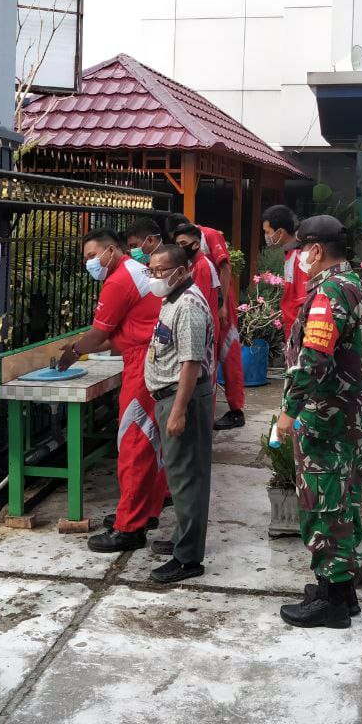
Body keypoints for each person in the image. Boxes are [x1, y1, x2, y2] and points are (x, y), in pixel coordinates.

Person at [275, 215, 362, 629]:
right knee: (343, 500)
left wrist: (289, 410)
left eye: (301, 249)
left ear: (315, 250)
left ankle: (331, 602)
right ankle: (341, 592)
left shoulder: (329, 292)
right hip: (349, 414)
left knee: (323, 504)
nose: (298, 257)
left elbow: (315, 357)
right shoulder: (356, 285)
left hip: (325, 418)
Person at [57, 230, 166, 552]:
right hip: (151, 356)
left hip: (144, 363)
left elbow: (99, 333)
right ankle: (145, 512)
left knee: (133, 441)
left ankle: (129, 527)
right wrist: (83, 346)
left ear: (111, 251)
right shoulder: (135, 270)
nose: (89, 263)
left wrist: (73, 352)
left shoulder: (119, 280)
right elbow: (120, 331)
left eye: (92, 256)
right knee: (150, 441)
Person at [143, 244, 215, 584]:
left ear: (182, 271)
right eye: (151, 270)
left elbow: (191, 362)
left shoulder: (188, 305)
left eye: (161, 271)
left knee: (188, 478)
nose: (154, 277)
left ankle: (188, 559)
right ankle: (181, 539)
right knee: (179, 474)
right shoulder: (172, 299)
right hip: (169, 395)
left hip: (182, 396)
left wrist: (178, 410)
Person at [168, 213, 245, 430]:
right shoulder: (194, 258)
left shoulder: (208, 237)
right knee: (210, 359)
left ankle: (236, 410)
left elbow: (225, 268)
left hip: (220, 304)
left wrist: (222, 304)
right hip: (209, 305)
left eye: (181, 242)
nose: (179, 246)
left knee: (228, 355)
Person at [262, 204, 308, 365]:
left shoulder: (299, 257)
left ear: (280, 232)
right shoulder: (290, 254)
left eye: (268, 232)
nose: (267, 236)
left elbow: (304, 301)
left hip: (299, 333)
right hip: (291, 330)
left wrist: (298, 339)